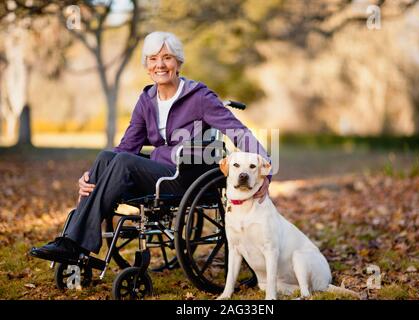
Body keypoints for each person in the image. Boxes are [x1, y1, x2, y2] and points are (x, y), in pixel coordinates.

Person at [30, 31, 271, 262]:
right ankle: (71, 243)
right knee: (106, 157)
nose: (160, 65)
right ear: (147, 66)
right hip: (155, 172)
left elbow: (239, 132)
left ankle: (75, 243)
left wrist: (265, 172)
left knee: (123, 162)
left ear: (178, 63)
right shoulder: (146, 100)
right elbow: (128, 145)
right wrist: (92, 175)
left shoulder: (199, 97)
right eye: (153, 59)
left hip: (184, 176)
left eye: (167, 58)